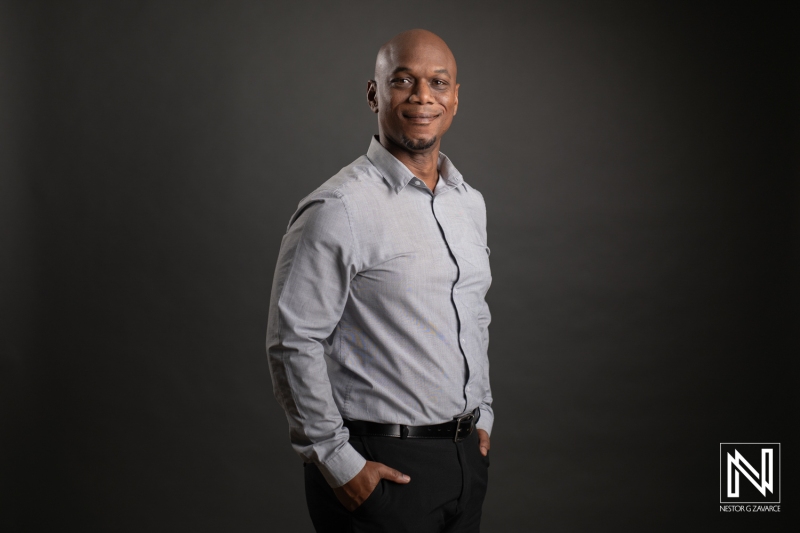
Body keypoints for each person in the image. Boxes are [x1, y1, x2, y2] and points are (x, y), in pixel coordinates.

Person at [266, 29, 493, 532]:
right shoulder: (339, 208)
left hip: (463, 463)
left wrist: (485, 416)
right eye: (403, 81)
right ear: (374, 94)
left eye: (438, 82)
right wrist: (336, 461)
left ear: (455, 98)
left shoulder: (467, 204)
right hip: (380, 468)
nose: (421, 97)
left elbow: (473, 314)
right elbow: (292, 339)